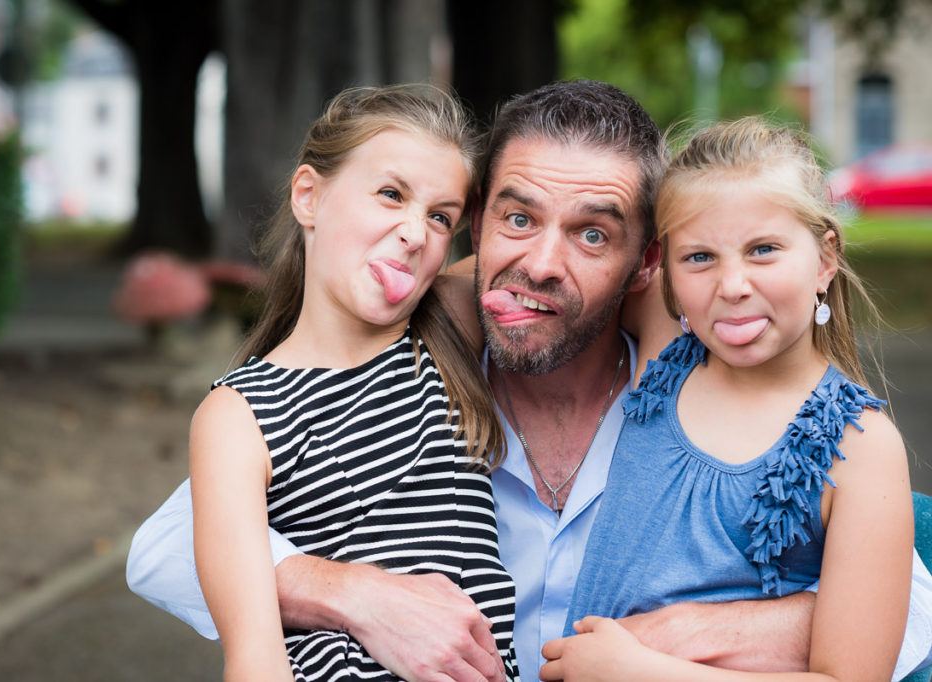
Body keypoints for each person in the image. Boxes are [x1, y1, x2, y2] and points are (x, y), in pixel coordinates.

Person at [127, 81, 932, 681]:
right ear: (475, 228)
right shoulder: (406, 361)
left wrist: (694, 641)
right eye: (517, 218)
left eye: (592, 233)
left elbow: (913, 611)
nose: (542, 263)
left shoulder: (698, 389)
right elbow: (164, 547)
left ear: (646, 264)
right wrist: (357, 597)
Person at [540, 117, 912, 681]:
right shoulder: (672, 354)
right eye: (700, 258)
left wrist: (637, 672)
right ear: (664, 272)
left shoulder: (860, 446)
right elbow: (532, 278)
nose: (731, 285)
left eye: (763, 250)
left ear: (825, 259)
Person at [182, 83, 517, 681]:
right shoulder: (238, 415)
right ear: (309, 196)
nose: (416, 232)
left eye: (440, 217)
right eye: (391, 194)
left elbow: (597, 279)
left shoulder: (446, 330)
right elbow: (255, 661)